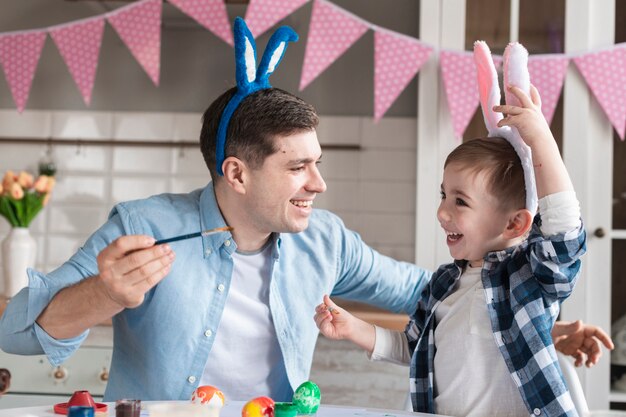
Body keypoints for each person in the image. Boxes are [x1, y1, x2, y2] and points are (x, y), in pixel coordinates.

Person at [0, 21, 612, 405]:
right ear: (237, 174)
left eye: (317, 162)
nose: (319, 184)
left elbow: (429, 294)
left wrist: (540, 328)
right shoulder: (141, 226)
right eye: (298, 167)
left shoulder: (325, 239)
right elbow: (15, 334)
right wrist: (104, 294)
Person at [314, 73, 590, 416]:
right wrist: (355, 328)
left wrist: (540, 140)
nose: (442, 211)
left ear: (514, 223)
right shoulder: (442, 284)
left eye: (461, 201)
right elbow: (414, 347)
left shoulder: (528, 277)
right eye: (444, 195)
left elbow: (564, 231)